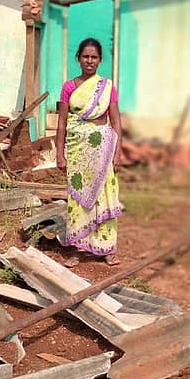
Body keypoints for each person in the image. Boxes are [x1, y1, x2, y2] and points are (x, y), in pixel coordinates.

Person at [56, 38, 123, 267]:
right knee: (78, 197)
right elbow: (62, 122)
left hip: (103, 151)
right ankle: (77, 248)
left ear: (100, 60)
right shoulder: (69, 87)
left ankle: (106, 248)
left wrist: (118, 152)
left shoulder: (107, 86)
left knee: (104, 196)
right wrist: (59, 154)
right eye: (86, 56)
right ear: (78, 58)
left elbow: (116, 120)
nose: (90, 61)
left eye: (94, 57)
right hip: (77, 152)